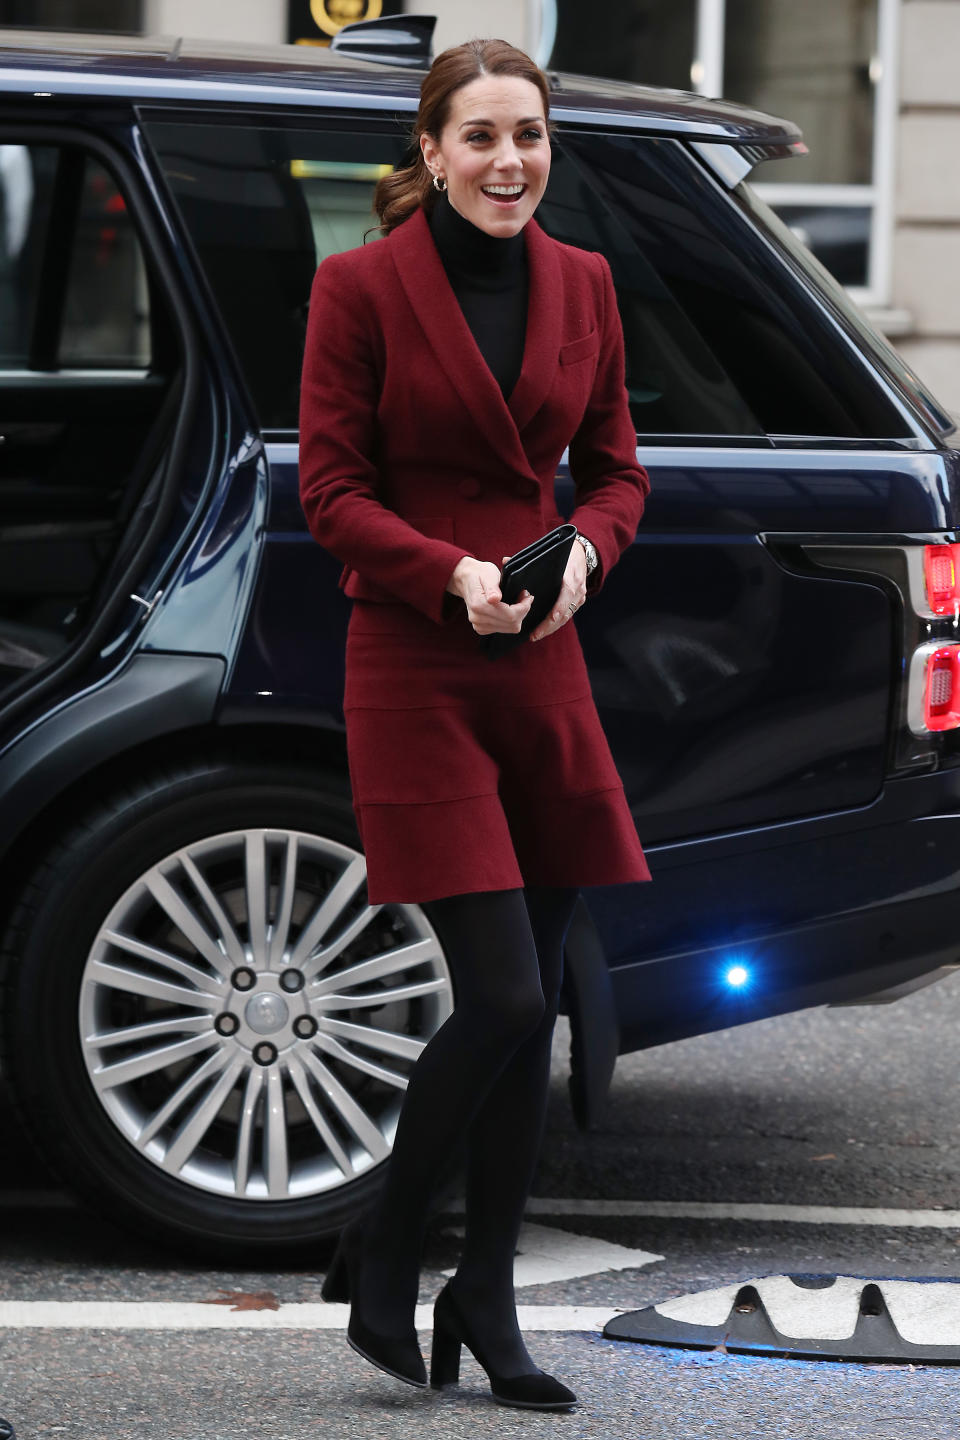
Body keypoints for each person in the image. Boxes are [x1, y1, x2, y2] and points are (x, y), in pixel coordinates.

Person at [299, 36, 651, 1413]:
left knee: (540, 1005)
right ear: (432, 153)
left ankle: (488, 1306)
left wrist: (586, 557)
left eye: (532, 136)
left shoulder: (586, 283)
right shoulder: (359, 289)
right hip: (415, 656)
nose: (512, 161)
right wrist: (448, 572)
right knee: (500, 989)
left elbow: (617, 469)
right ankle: (385, 1242)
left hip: (543, 658)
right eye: (484, 137)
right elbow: (329, 488)